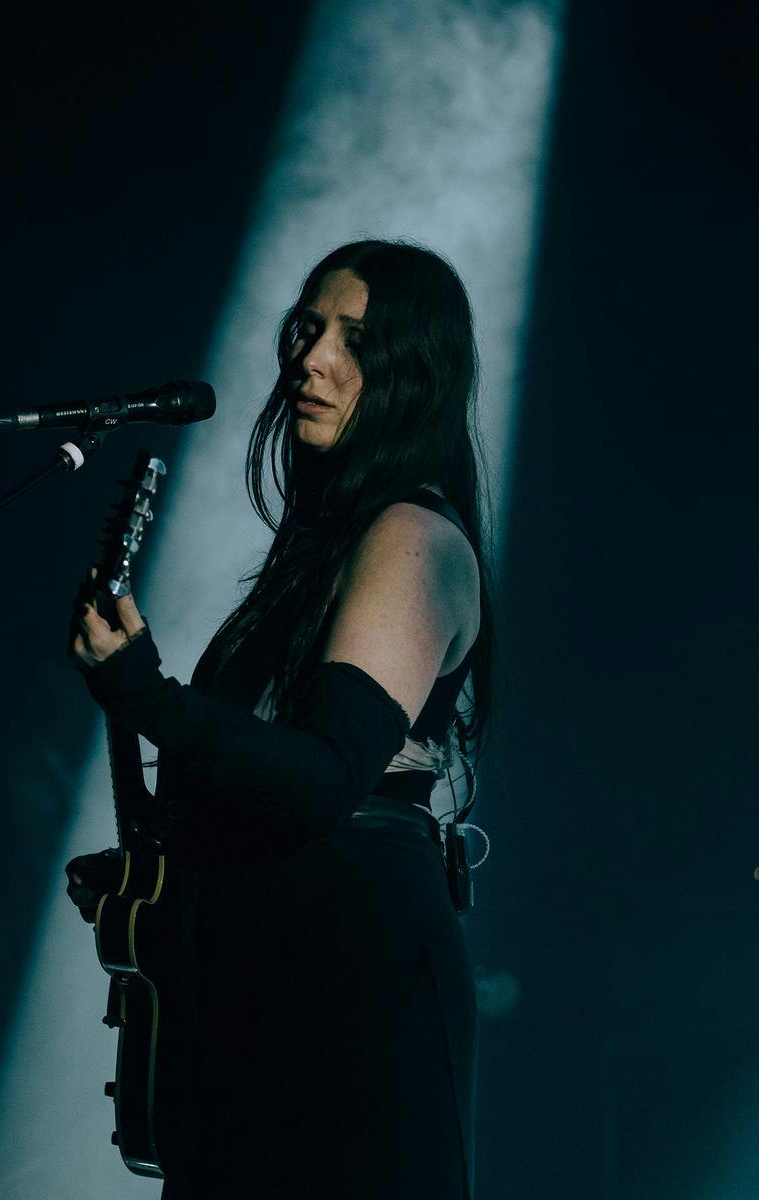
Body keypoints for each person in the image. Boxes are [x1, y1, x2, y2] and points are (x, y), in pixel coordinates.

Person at [70, 239, 495, 1199]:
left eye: (355, 338)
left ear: (413, 371)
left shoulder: (411, 537)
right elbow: (256, 773)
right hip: (257, 979)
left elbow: (327, 773)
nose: (311, 359)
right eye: (307, 328)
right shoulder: (321, 554)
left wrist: (146, 695)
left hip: (352, 989)